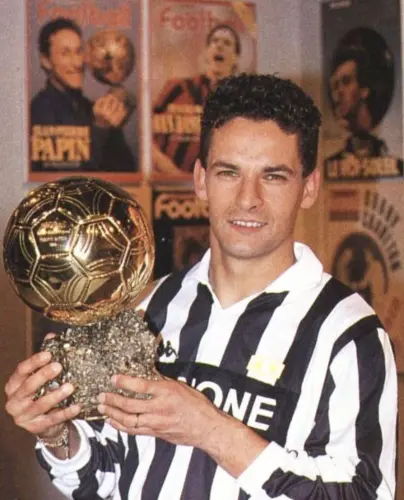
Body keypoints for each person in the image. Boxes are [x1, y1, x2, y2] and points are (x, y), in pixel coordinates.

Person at [5, 74, 397, 499]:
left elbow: (364, 492)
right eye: (229, 172)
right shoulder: (149, 307)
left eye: (273, 176)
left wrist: (210, 429)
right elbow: (107, 474)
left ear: (309, 187)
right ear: (200, 180)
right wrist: (57, 434)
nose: (248, 199)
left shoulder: (347, 333)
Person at [30, 17, 136, 172]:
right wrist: (100, 128)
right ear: (46, 61)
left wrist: (115, 122)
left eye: (79, 51)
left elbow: (128, 170)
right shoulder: (38, 111)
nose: (78, 63)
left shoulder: (91, 108)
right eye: (65, 53)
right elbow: (69, 178)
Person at [152, 23, 241, 174]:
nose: (219, 46)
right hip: (168, 181)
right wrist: (172, 173)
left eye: (227, 43)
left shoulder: (242, 99)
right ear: (206, 52)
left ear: (236, 58)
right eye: (214, 41)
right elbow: (146, 138)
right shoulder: (177, 87)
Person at [326, 45, 388, 160]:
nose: (339, 91)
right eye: (335, 86)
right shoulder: (332, 161)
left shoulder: (389, 156)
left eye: (346, 81)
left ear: (364, 89)